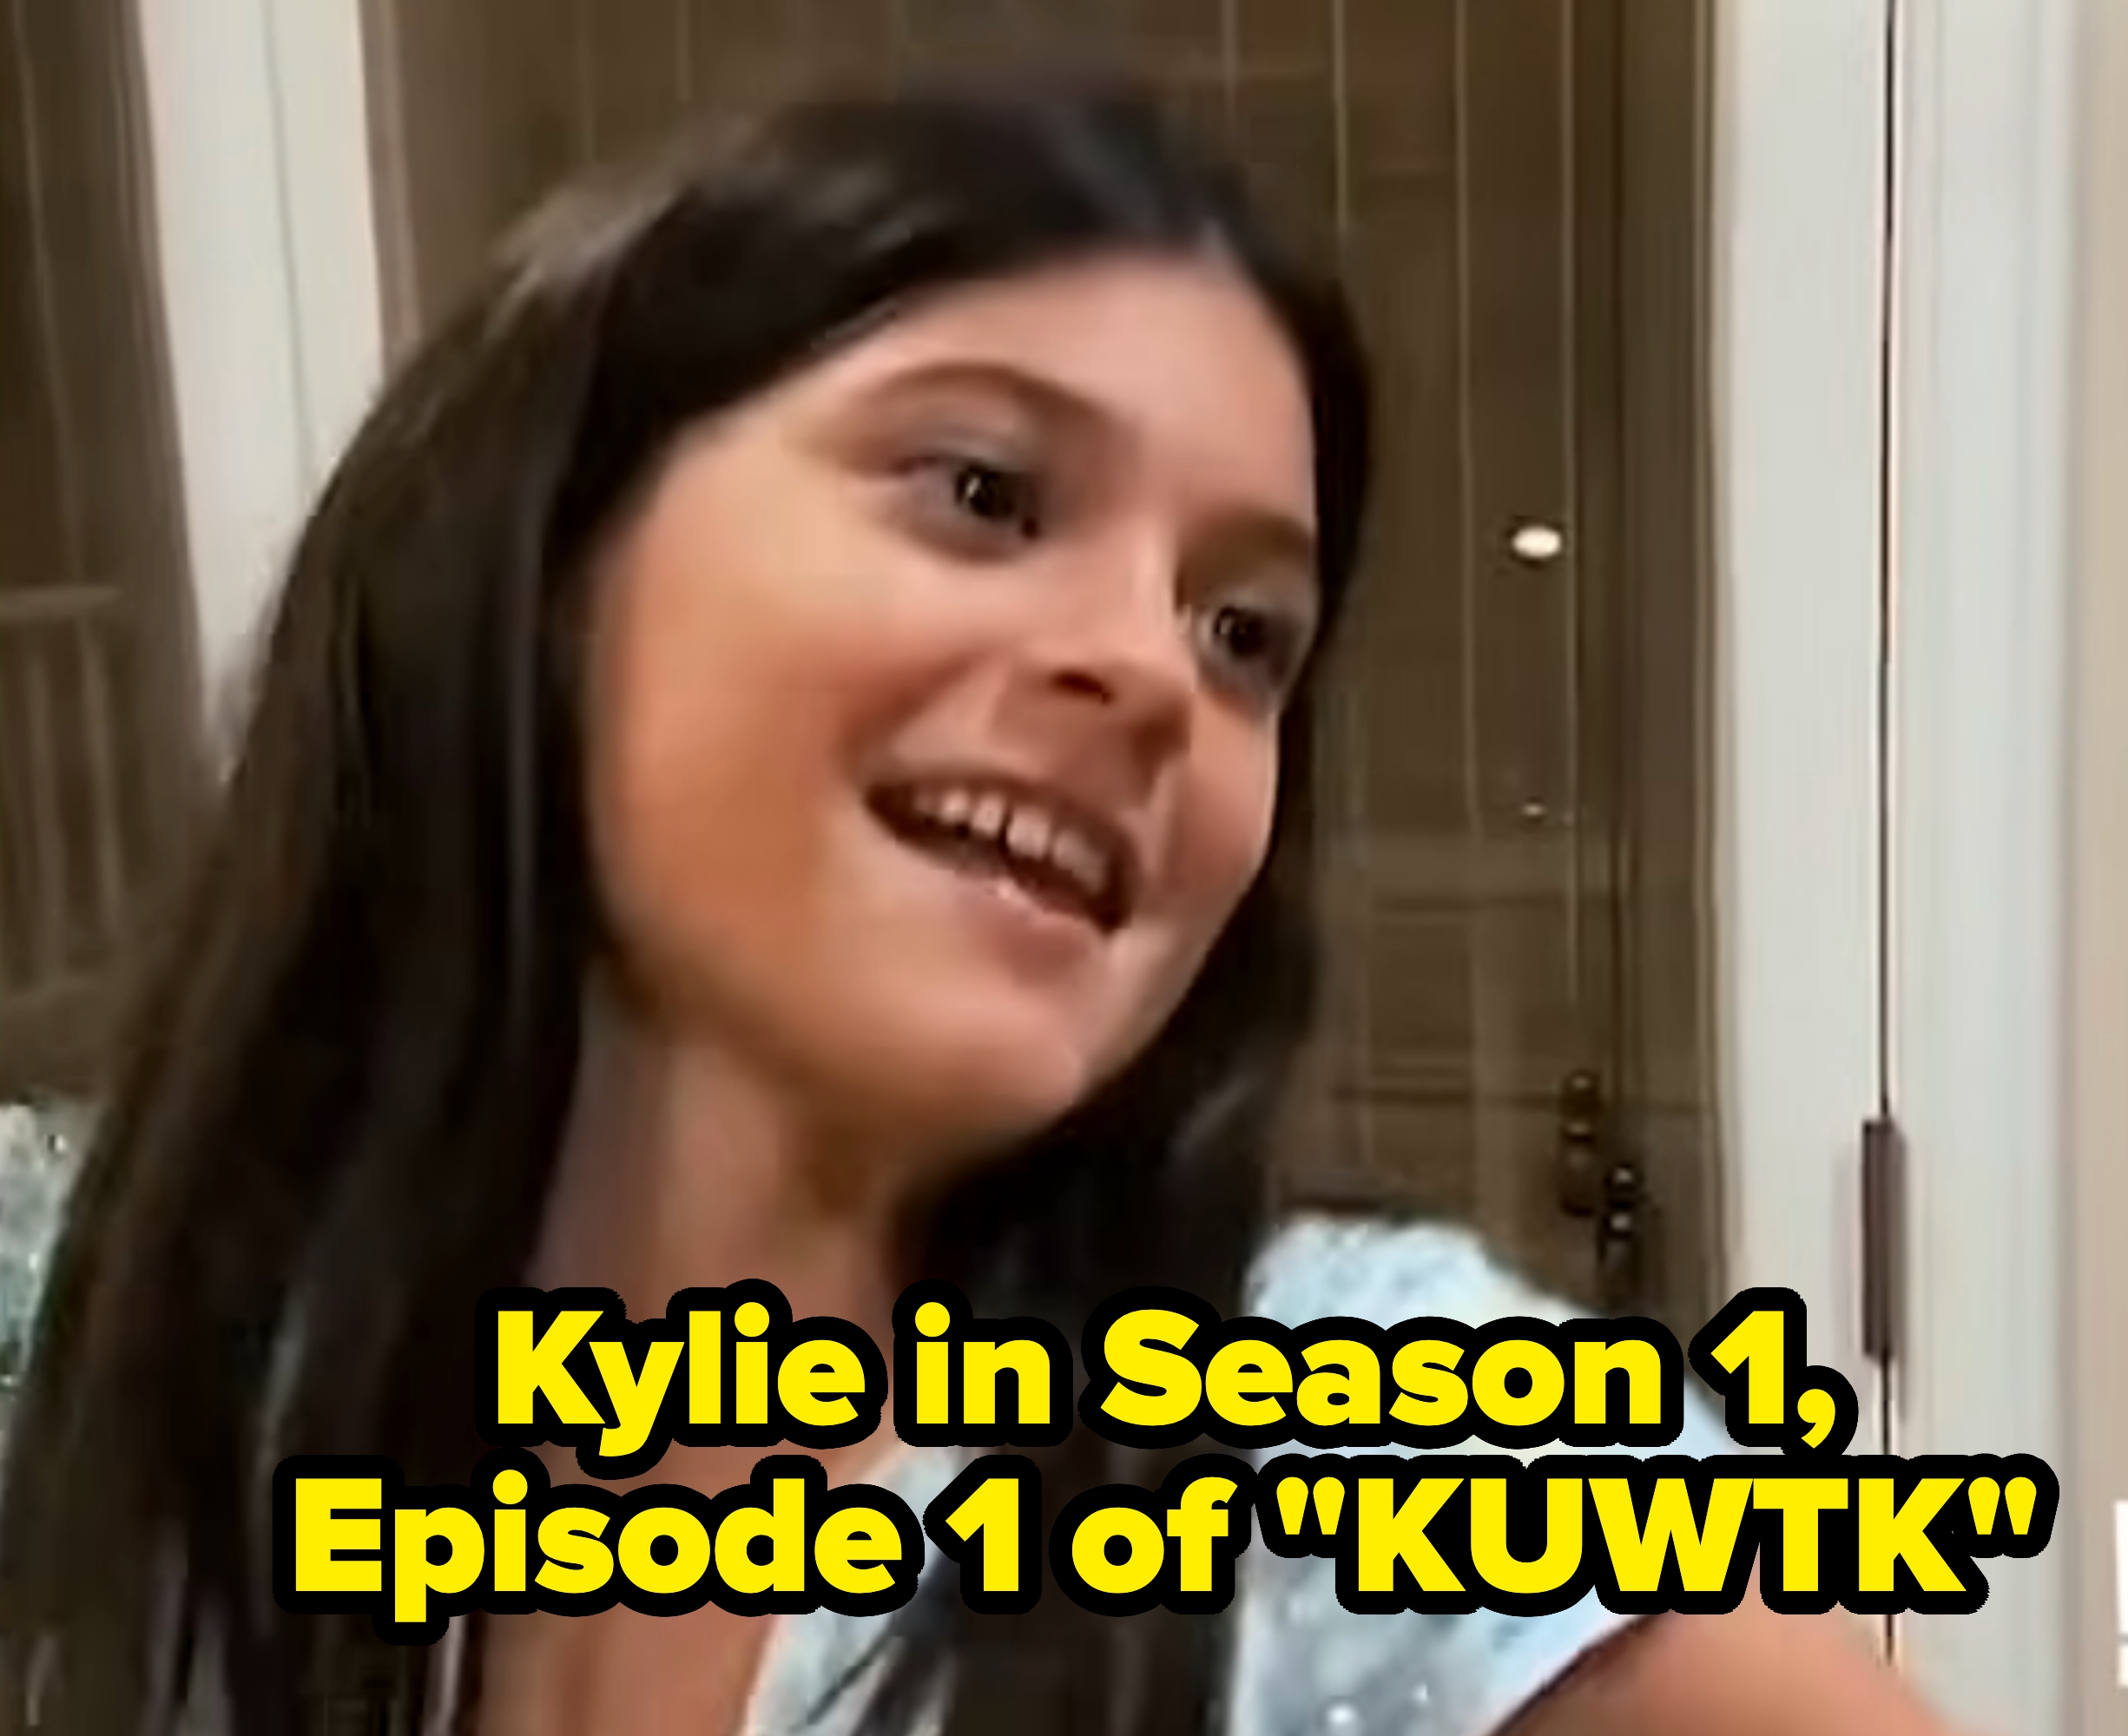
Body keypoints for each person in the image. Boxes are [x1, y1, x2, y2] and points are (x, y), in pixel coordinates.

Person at [0, 82, 1951, 1736]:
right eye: (987, 494)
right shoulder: (82, 1325)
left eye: (1245, 631)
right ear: (550, 557)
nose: (1152, 671)